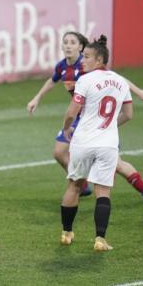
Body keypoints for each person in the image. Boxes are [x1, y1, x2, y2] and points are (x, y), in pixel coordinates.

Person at [27, 31, 143, 201]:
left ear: (80, 47)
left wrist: (138, 92)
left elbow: (117, 78)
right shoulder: (62, 66)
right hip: (79, 117)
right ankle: (82, 185)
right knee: (59, 152)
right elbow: (52, 80)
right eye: (65, 42)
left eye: (72, 42)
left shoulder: (87, 64)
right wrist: (37, 97)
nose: (68, 45)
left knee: (116, 164)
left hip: (94, 117)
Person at [59, 35, 133, 252]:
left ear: (100, 60)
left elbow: (72, 111)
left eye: (87, 57)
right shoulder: (121, 81)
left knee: (74, 185)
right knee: (103, 191)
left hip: (82, 141)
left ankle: (66, 232)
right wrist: (109, 127)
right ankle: (100, 239)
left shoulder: (85, 80)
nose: (83, 60)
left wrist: (65, 129)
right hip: (108, 144)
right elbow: (128, 114)